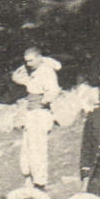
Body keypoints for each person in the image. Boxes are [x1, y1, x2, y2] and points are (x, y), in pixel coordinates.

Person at [11, 46, 62, 190]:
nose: (28, 64)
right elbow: (16, 76)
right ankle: (30, 179)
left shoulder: (46, 71)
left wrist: (43, 101)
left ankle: (40, 182)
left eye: (31, 61)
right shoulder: (32, 71)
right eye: (26, 61)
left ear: (39, 58)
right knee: (27, 149)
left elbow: (53, 90)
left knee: (37, 148)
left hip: (40, 113)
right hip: (31, 113)